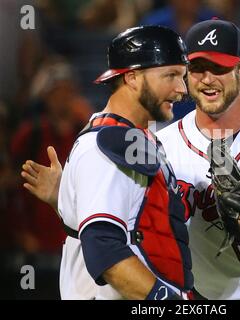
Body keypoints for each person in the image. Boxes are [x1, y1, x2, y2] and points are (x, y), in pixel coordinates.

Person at [22, 19, 240, 300]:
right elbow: (122, 229)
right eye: (197, 68)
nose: (207, 79)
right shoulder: (158, 148)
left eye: (219, 68)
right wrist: (68, 201)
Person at [23, 25, 193, 300]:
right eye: (171, 75)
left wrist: (65, 203)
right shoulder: (104, 148)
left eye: (182, 76)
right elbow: (105, 250)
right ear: (133, 77)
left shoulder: (135, 138)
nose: (181, 89)